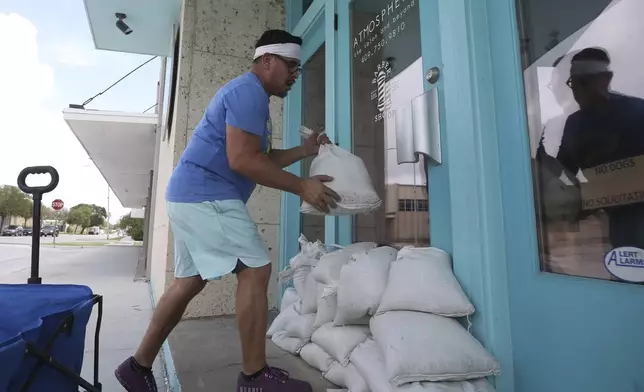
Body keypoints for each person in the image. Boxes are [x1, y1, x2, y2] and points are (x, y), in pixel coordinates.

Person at [114, 29, 340, 392]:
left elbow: (260, 158)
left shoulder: (251, 95)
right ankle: (254, 377)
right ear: (267, 61)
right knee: (255, 267)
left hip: (190, 195)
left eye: (298, 68)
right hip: (206, 195)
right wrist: (301, 185)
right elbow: (241, 161)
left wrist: (305, 151)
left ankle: (137, 366)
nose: (295, 75)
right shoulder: (248, 92)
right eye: (291, 66)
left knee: (190, 281)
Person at [555, 47, 644, 249]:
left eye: (586, 82)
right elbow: (562, 168)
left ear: (607, 78)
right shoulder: (575, 123)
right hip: (613, 219)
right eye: (575, 83)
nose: (578, 90)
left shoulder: (638, 112)